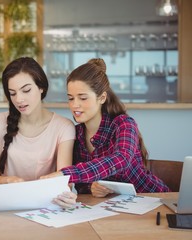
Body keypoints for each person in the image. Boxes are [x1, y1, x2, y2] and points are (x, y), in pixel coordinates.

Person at [42, 58, 170, 197]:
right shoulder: (76, 133)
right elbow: (81, 186)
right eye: (71, 98)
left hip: (153, 199)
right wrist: (92, 187)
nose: (74, 105)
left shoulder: (124, 124)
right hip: (112, 209)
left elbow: (121, 159)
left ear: (102, 98)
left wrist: (65, 173)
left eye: (83, 98)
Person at [0, 57, 77, 208]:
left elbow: (65, 180)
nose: (19, 99)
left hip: (46, 206)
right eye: (12, 93)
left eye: (26, 90)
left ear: (41, 88)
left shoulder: (64, 127)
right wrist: (8, 180)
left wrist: (66, 195)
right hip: (7, 205)